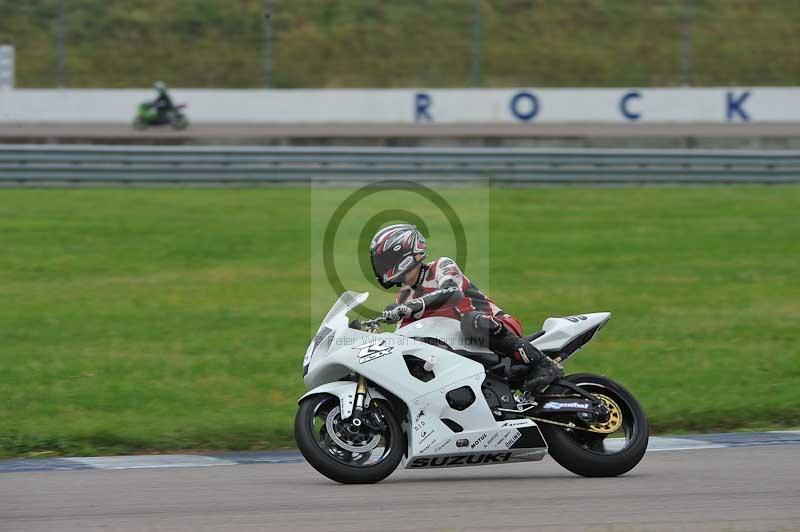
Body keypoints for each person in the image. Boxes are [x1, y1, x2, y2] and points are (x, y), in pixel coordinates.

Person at [370, 224, 563, 391]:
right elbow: (404, 338)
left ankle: (543, 364)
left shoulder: (440, 266)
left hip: (494, 326)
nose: (382, 267)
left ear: (403, 254)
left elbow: (453, 292)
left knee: (470, 322)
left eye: (385, 261)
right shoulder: (403, 296)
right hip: (462, 345)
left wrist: (415, 305)